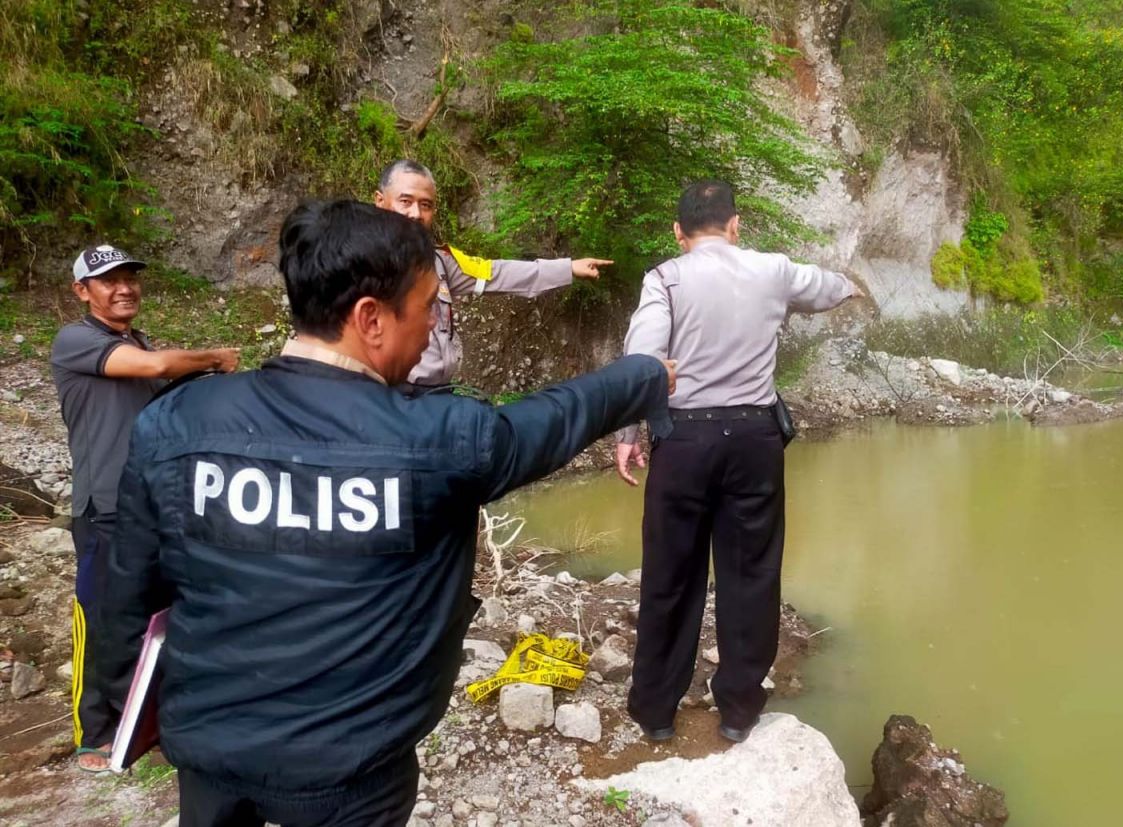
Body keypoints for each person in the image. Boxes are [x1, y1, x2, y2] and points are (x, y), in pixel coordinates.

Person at [96, 201, 674, 826]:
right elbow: (555, 419)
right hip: (354, 777)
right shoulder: (439, 439)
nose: (433, 328)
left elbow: (127, 594)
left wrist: (134, 711)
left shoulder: (177, 421)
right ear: (371, 318)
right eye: (429, 308)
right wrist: (643, 374)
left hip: (208, 752)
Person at [615, 180, 863, 743]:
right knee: (750, 575)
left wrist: (629, 430)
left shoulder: (666, 279)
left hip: (683, 443)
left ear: (678, 233)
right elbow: (826, 288)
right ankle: (739, 711)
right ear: (735, 226)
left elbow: (642, 360)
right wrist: (850, 285)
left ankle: (655, 712)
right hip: (755, 443)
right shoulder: (772, 269)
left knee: (670, 577)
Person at [50, 245, 239, 773]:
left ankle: (142, 719)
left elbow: (167, 390)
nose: (124, 287)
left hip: (152, 501)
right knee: (100, 616)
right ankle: (93, 735)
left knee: (151, 613)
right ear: (82, 291)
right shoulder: (77, 341)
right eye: (109, 280)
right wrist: (213, 358)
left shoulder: (137, 342)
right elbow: (156, 367)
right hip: (103, 506)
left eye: (130, 277)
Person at [373, 159, 613, 387]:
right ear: (380, 201)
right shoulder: (357, 265)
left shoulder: (439, 262)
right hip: (389, 400)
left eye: (426, 205)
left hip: (436, 396)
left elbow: (496, 273)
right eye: (405, 201)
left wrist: (567, 267)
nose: (416, 214)